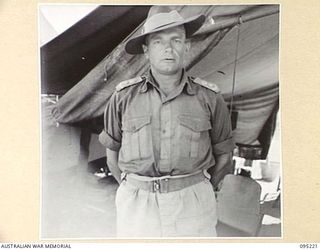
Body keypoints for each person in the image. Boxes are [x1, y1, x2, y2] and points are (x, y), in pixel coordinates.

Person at [99, 6, 235, 237]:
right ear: (146, 50)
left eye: (176, 40)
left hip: (192, 202)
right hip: (137, 204)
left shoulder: (210, 97)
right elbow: (112, 155)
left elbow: (224, 156)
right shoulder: (122, 97)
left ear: (187, 46)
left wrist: (198, 190)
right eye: (158, 42)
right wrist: (134, 188)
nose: (168, 49)